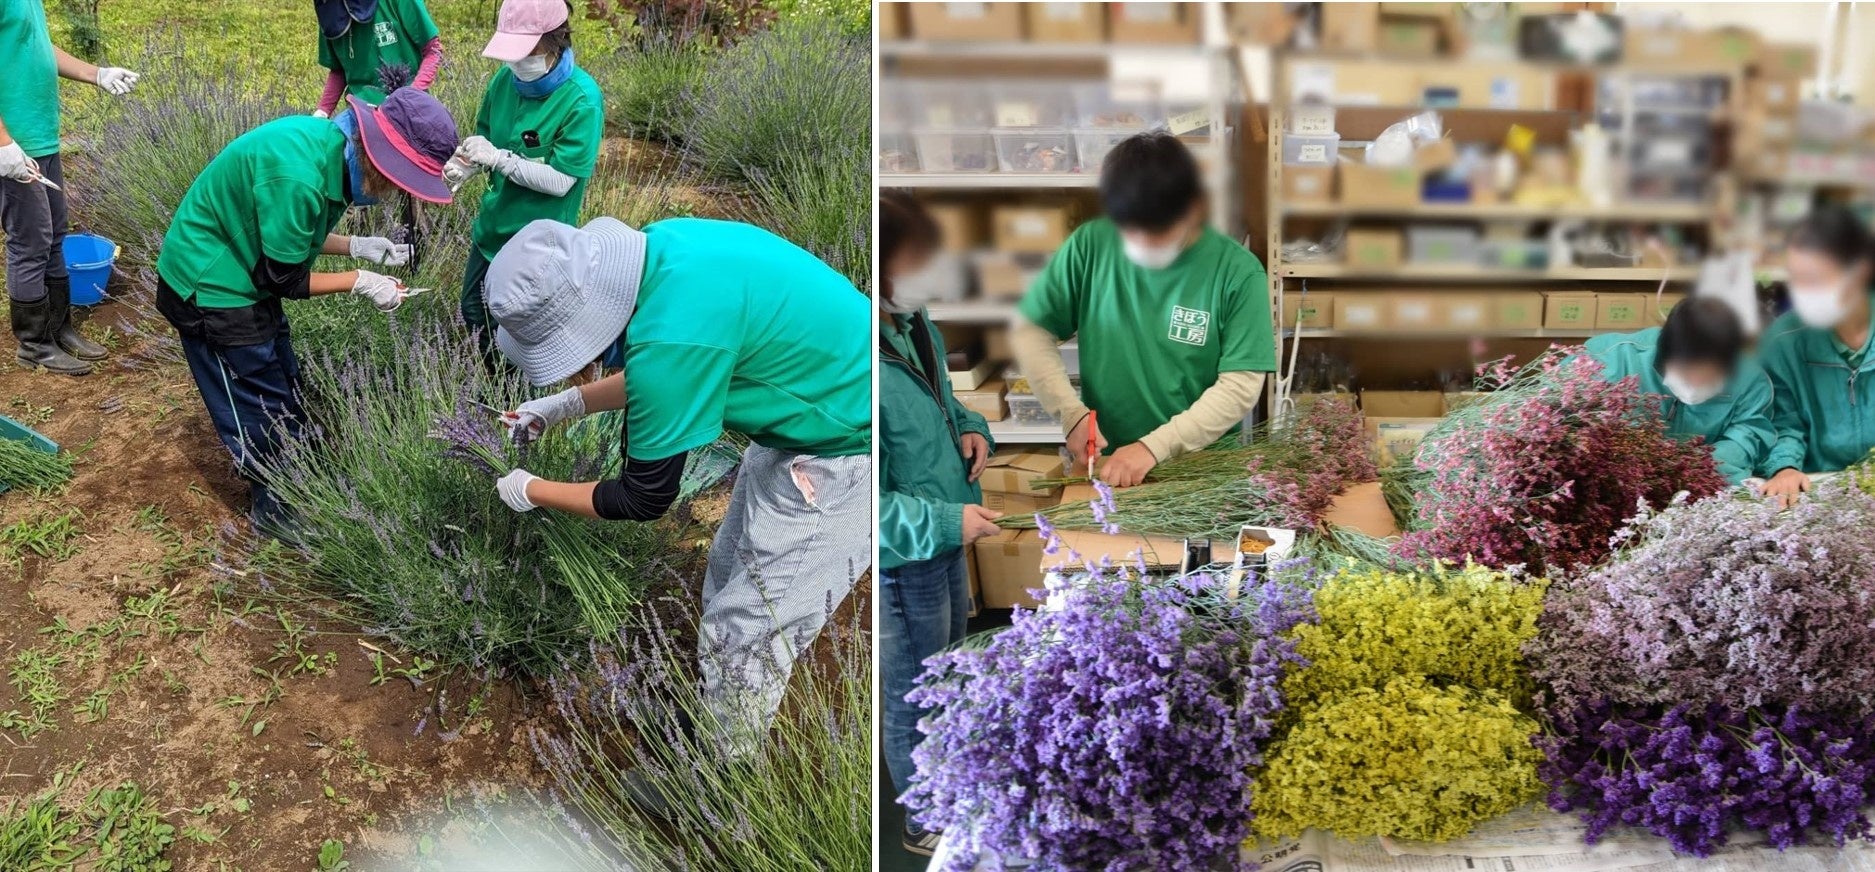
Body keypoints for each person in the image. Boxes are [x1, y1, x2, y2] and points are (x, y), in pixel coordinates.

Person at [485, 216, 870, 754]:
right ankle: (722, 695)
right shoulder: (667, 247)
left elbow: (643, 497)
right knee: (731, 568)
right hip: (807, 409)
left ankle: (724, 776)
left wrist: (533, 490)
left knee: (751, 632)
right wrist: (565, 405)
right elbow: (674, 358)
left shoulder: (673, 339)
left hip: (849, 456)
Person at [155, 88, 458, 530]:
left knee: (283, 378)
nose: (397, 192)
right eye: (401, 180)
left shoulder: (333, 152)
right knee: (255, 401)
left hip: (248, 274)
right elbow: (284, 278)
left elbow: (296, 238)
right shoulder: (299, 173)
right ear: (381, 157)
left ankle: (296, 471)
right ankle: (275, 509)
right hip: (210, 286)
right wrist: (358, 280)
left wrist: (356, 246)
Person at [1011, 131, 1276, 487]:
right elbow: (1031, 329)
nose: (1142, 243)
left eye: (1158, 230)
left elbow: (1241, 385)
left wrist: (1153, 448)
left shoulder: (1237, 271)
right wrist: (1070, 413)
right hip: (1108, 465)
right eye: (1130, 229)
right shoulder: (1090, 244)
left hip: (1197, 470)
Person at [876, 191, 1000, 857]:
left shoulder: (912, 321)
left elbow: (945, 402)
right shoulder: (857, 361)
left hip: (945, 533)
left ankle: (952, 780)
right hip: (907, 556)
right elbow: (864, 508)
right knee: (912, 689)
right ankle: (924, 819)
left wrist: (973, 430)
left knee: (948, 665)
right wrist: (948, 521)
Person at [453, 0, 603, 358]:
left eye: (526, 52)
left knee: (521, 328)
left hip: (539, 242)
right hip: (493, 226)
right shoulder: (505, 81)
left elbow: (562, 181)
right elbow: (486, 139)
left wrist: (501, 160)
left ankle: (523, 400)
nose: (516, 63)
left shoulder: (581, 100)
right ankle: (492, 387)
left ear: (554, 42)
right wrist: (466, 163)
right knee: (474, 311)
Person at [1, 0, 140, 375]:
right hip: (12, 144)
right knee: (30, 241)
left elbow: (35, 45)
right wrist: (2, 143)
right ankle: (34, 345)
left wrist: (96, 73)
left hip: (40, 134)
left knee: (55, 234)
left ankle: (59, 328)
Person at [1584, 297, 1774, 485]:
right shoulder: (1608, 360)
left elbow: (1749, 434)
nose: (1697, 382)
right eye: (1688, 372)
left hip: (1706, 480)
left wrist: (1697, 465)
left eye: (1710, 376)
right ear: (1665, 355)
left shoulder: (1751, 380)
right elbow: (1567, 419)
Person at [1759, 206, 1875, 507]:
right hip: (1820, 485)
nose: (1804, 293)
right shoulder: (1783, 341)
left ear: (1860, 271)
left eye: (1816, 279)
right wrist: (1785, 467)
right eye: (1797, 280)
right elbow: (1784, 420)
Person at [313, 0, 442, 115]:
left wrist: (412, 94)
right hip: (359, 114)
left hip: (409, 109)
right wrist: (322, 111)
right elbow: (339, 70)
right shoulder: (329, 13)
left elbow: (433, 49)